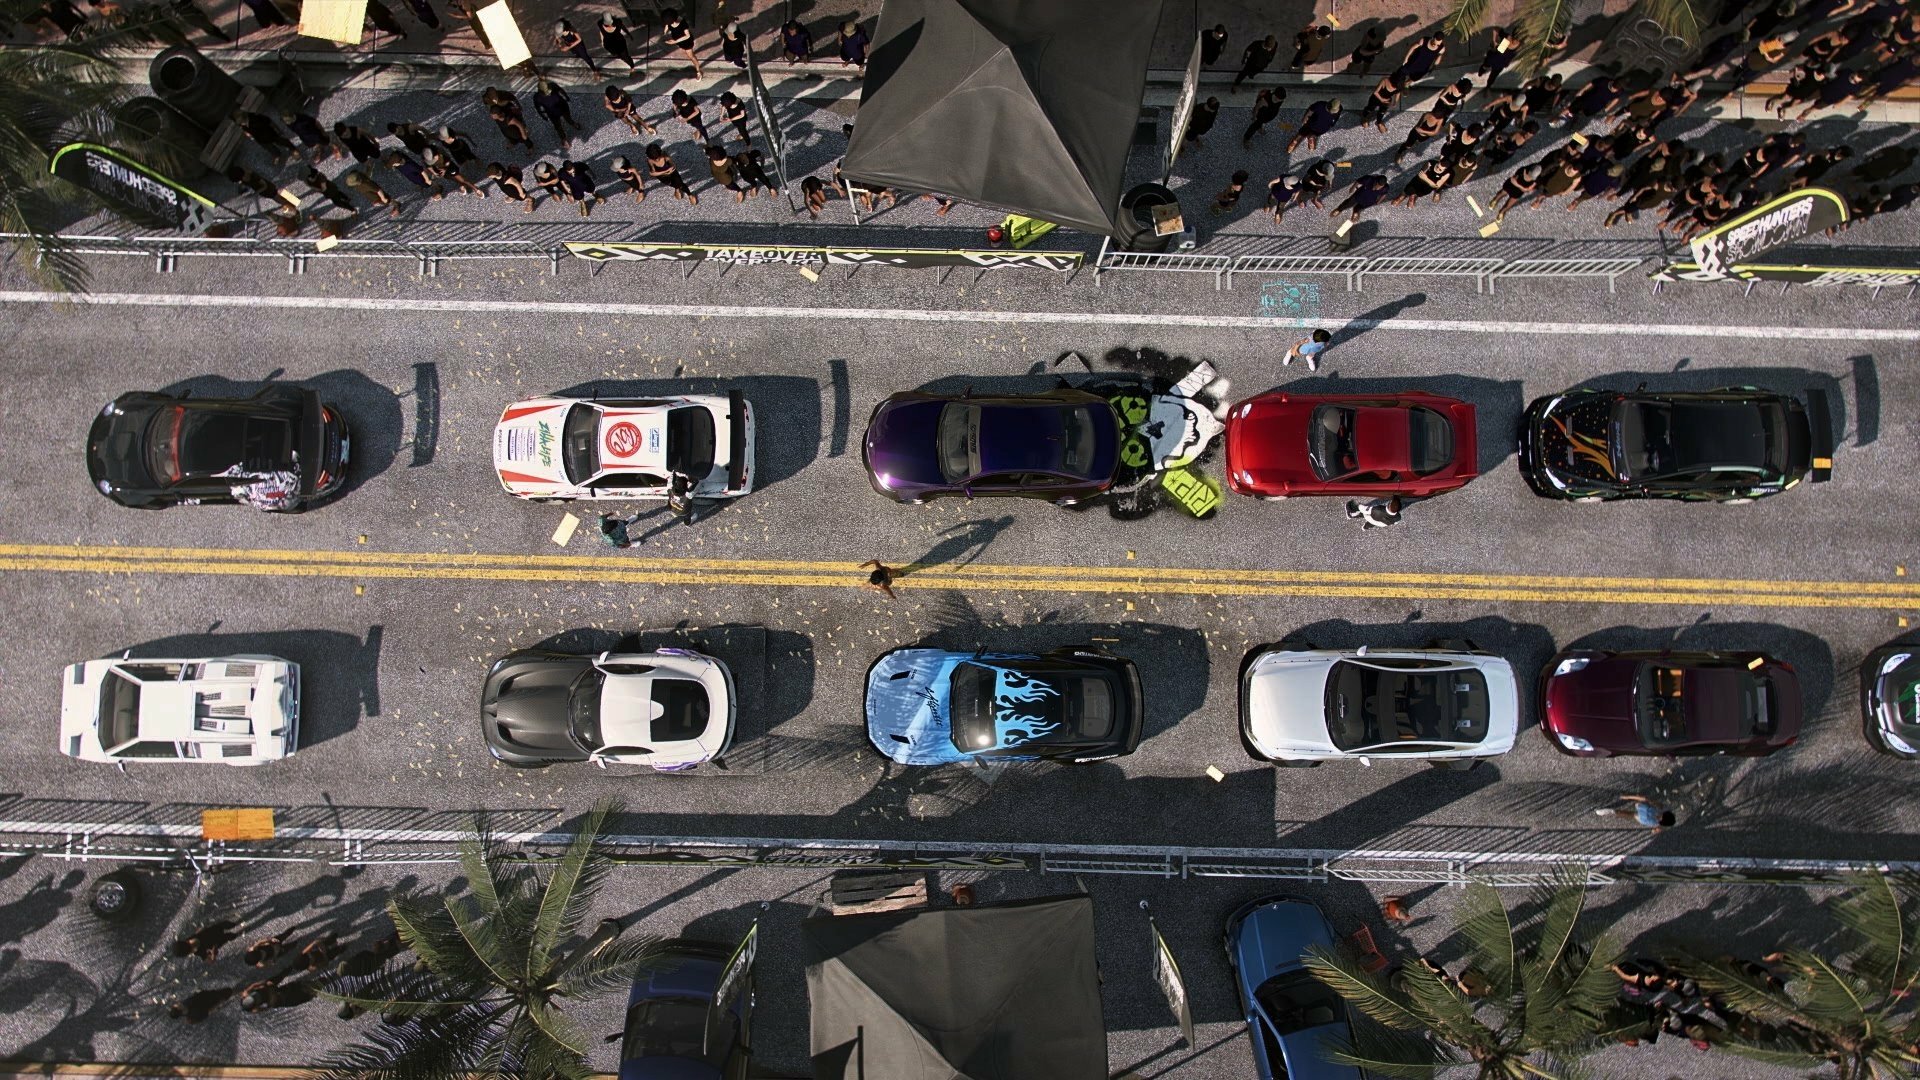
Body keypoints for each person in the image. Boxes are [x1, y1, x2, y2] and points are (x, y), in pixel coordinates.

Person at [532, 80, 580, 148]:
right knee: (558, 126)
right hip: (551, 112)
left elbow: (561, 90)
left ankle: (573, 123)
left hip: (562, 106)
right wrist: (542, 115)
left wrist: (566, 97)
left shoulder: (553, 86)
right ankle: (564, 139)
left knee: (568, 118)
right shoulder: (537, 97)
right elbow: (538, 108)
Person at [1596, 793, 1675, 830]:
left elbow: (1647, 800)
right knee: (1635, 810)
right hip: (1646, 815)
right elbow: (1648, 800)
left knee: (1632, 813)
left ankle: (1611, 811)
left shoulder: (1661, 813)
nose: (1660, 817)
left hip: (1645, 816)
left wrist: (1655, 830)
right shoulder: (1661, 811)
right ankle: (1614, 810)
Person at [661, 7, 700, 75]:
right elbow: (667, 25)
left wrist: (675, 41)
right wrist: (665, 32)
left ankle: (698, 71)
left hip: (686, 42)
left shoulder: (683, 23)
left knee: (691, 56)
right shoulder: (670, 20)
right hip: (678, 40)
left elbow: (687, 36)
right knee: (687, 52)